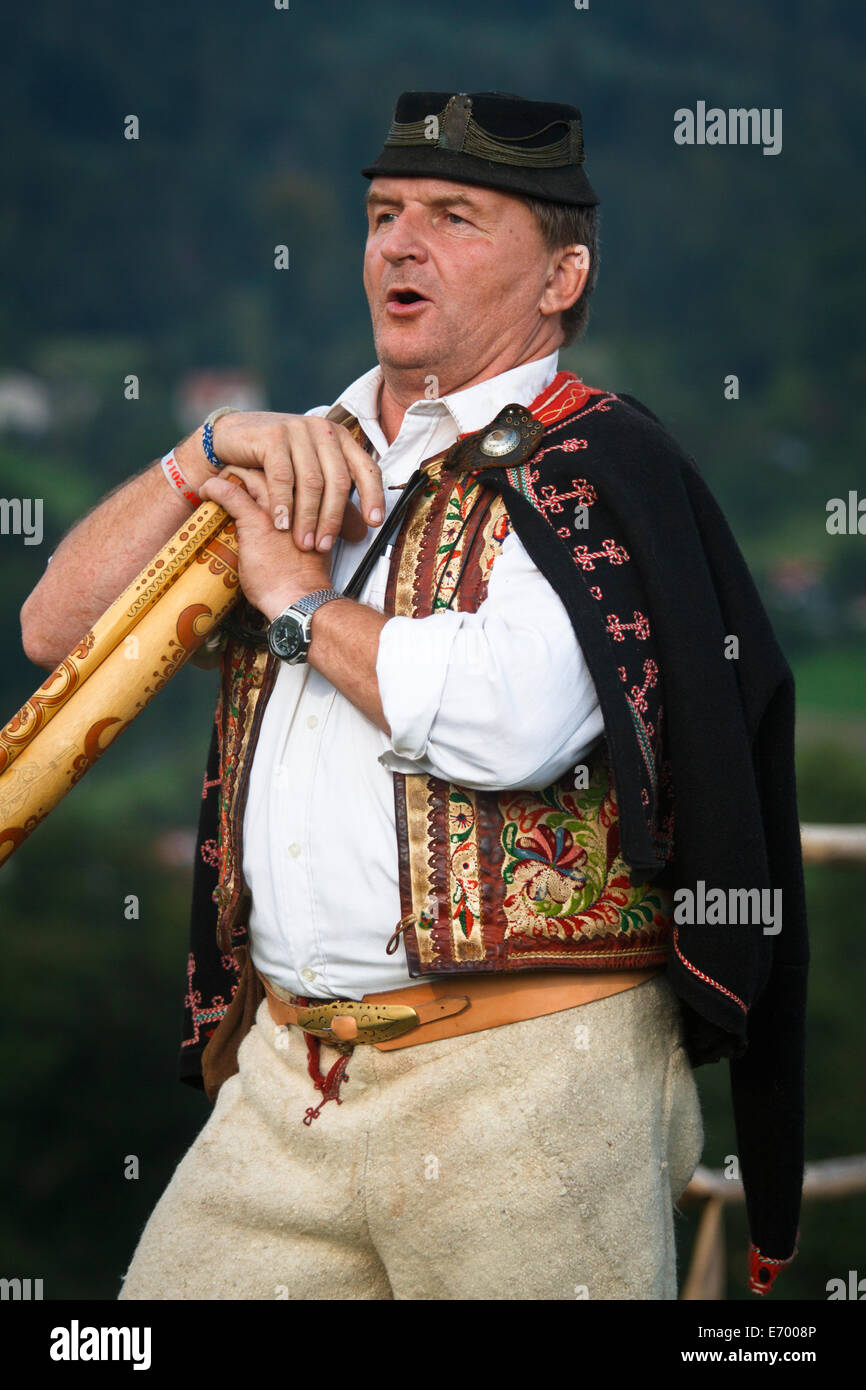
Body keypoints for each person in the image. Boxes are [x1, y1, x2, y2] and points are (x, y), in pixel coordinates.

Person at [20, 90, 806, 1301]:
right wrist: (205, 451)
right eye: (385, 212)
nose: (400, 241)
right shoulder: (299, 445)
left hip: (532, 1083)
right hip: (291, 1084)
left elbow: (507, 725)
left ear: (561, 275)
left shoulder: (597, 465)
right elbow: (55, 632)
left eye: (454, 216)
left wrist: (294, 599)